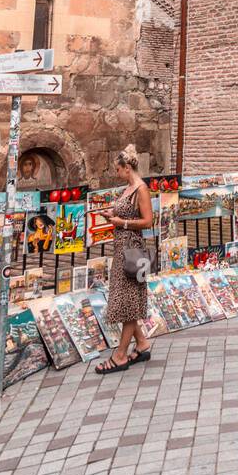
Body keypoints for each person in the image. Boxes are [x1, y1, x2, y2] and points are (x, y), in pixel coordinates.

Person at [95, 146, 154, 374]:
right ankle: (141, 344)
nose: (116, 173)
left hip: (133, 250)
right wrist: (113, 217)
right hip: (122, 249)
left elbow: (148, 221)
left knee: (129, 301)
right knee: (123, 298)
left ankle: (120, 355)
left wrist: (122, 223)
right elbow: (123, 215)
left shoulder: (141, 189)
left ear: (127, 168)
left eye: (118, 170)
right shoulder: (128, 188)